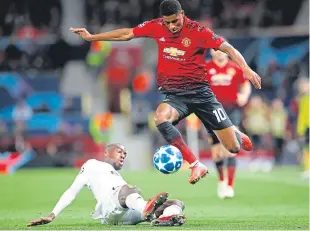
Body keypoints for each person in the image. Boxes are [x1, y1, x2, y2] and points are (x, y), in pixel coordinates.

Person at [70, 0, 261, 185]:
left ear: (182, 14)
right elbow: (127, 34)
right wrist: (91, 37)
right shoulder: (157, 26)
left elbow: (227, 47)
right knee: (160, 117)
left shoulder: (198, 31)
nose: (171, 26)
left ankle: (234, 132)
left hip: (202, 96)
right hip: (176, 96)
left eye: (175, 21)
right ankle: (195, 164)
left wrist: (245, 68)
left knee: (233, 148)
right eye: (167, 22)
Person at [27, 144, 186, 227]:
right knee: (128, 190)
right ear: (106, 153)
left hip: (128, 214)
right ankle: (146, 209)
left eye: (125, 154)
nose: (123, 155)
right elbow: (71, 191)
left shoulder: (117, 175)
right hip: (109, 209)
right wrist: (52, 214)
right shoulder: (91, 165)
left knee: (177, 203)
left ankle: (166, 218)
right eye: (119, 152)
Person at [205, 49, 251, 199]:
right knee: (217, 152)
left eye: (220, 50)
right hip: (211, 111)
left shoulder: (235, 68)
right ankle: (221, 181)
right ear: (211, 53)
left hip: (231, 111)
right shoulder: (205, 68)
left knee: (230, 148)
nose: (218, 52)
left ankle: (230, 185)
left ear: (226, 52)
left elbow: (246, 84)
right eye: (214, 50)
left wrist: (244, 95)